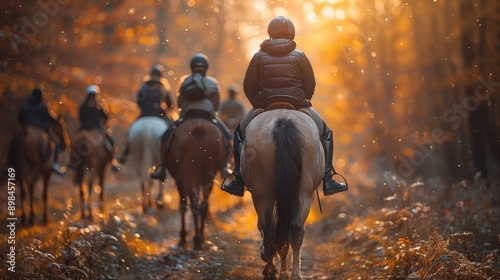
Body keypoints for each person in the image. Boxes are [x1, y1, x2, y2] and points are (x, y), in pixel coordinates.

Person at [221, 16, 348, 197]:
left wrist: (258, 104)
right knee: (327, 132)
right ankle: (328, 178)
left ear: (270, 33)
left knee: (239, 133)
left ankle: (238, 178)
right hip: (296, 104)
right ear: (292, 33)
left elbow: (248, 86)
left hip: (265, 105)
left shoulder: (258, 56)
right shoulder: (300, 56)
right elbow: (310, 84)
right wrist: (303, 101)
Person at [150, 53, 232, 181]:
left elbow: (180, 103)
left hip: (187, 116)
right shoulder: (213, 82)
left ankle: (161, 167)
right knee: (228, 140)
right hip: (208, 116)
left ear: (191, 66)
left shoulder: (185, 81)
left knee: (164, 138)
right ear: (206, 67)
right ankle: (225, 167)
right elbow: (216, 106)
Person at [118, 64, 176, 163]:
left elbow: (139, 102)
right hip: (159, 114)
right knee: (173, 130)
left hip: (144, 114)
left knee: (131, 130)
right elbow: (170, 104)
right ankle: (173, 154)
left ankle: (124, 154)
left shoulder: (143, 86)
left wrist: (146, 108)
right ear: (161, 75)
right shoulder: (164, 87)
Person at [4, 87, 65, 175]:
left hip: (26, 127)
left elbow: (20, 118)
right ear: (41, 96)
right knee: (57, 143)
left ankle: (9, 164)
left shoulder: (26, 104)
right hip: (40, 127)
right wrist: (57, 119)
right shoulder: (43, 105)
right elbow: (49, 118)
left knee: (12, 142)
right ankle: (55, 164)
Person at [79, 85, 120, 171]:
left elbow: (80, 117)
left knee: (70, 140)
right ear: (96, 95)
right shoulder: (99, 106)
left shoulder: (83, 105)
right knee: (110, 141)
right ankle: (112, 161)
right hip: (97, 129)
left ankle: (70, 160)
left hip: (84, 128)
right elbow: (106, 118)